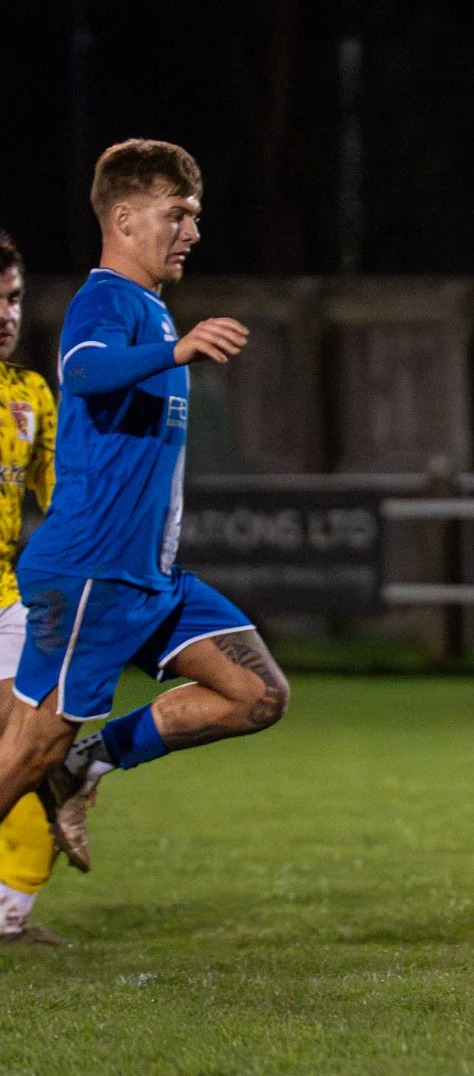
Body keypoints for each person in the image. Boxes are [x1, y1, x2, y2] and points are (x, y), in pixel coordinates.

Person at [0, 140, 291, 892]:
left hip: (150, 579)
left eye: (194, 216)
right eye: (179, 214)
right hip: (93, 571)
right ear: (125, 218)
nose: (192, 231)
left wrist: (174, 344)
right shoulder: (106, 299)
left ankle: (89, 762)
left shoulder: (153, 312)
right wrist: (180, 351)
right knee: (25, 752)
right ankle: (60, 765)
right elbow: (83, 370)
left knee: (257, 694)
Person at [0, 234, 64, 944]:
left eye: (13, 298)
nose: (5, 313)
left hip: (6, 600)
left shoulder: (31, 394)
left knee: (32, 748)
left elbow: (58, 497)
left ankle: (8, 915)